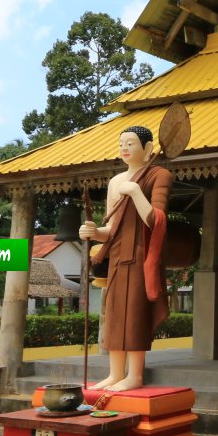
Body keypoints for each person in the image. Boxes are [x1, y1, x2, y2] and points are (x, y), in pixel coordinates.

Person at [79, 126, 173, 391]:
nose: (125, 147)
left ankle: (135, 376)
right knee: (115, 313)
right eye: (122, 143)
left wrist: (135, 192)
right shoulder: (115, 182)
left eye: (131, 143)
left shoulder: (160, 175)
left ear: (148, 149)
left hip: (142, 255)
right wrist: (94, 232)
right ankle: (115, 372)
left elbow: (156, 221)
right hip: (119, 256)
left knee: (135, 315)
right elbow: (112, 230)